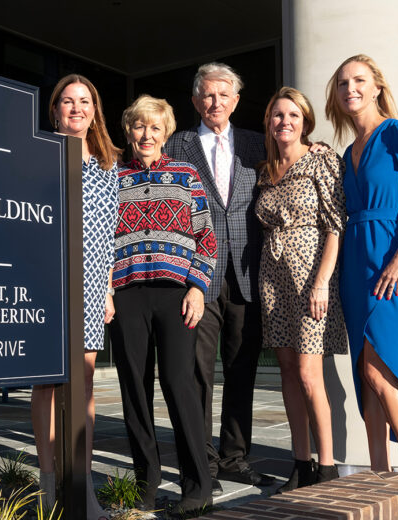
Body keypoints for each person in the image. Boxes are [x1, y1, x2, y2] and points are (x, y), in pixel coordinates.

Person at [163, 63, 273, 495]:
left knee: (242, 368)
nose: (216, 103)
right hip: (197, 275)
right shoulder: (177, 144)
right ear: (195, 101)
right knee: (198, 370)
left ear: (236, 101)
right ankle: (201, 459)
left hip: (247, 273)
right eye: (208, 95)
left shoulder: (255, 144)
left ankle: (234, 457)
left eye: (224, 95)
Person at [110, 94, 216, 513]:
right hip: (127, 295)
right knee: (134, 389)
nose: (146, 135)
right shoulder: (112, 178)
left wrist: (198, 287)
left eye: (155, 128)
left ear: (166, 132)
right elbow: (99, 241)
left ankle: (198, 485)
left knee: (179, 385)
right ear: (129, 131)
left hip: (176, 295)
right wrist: (105, 289)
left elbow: (207, 238)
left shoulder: (187, 175)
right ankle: (145, 485)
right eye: (139, 126)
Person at [31, 74, 120, 520]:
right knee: (47, 381)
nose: (76, 108)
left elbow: (109, 235)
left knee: (83, 384)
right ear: (55, 110)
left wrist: (106, 288)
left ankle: (80, 486)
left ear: (95, 110)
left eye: (84, 101)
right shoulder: (39, 156)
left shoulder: (109, 165)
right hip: (48, 281)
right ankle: (49, 485)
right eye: (68, 101)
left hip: (89, 286)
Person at [325, 54, 398, 472]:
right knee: (367, 377)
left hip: (393, 262)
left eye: (359, 81)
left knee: (387, 372)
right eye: (343, 83)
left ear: (377, 86)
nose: (351, 90)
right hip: (355, 267)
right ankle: (379, 480)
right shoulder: (347, 153)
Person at [255, 87, 348, 492]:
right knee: (288, 373)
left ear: (305, 121)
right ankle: (301, 463)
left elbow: (335, 224)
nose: (285, 122)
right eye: (278, 115)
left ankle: (327, 467)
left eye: (293, 115)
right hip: (273, 278)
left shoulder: (322, 159)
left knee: (311, 375)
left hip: (311, 275)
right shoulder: (265, 171)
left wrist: (322, 282)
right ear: (269, 123)